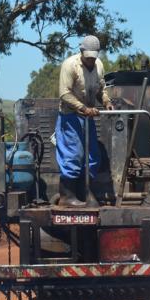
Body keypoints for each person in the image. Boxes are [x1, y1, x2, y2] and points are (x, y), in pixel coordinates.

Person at [55, 35, 114, 207]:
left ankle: (83, 193)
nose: (90, 60)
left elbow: (100, 88)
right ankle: (67, 196)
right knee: (73, 155)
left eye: (93, 57)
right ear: (81, 51)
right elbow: (64, 94)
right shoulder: (70, 65)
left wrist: (106, 101)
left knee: (92, 157)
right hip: (71, 117)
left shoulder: (99, 66)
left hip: (87, 118)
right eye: (87, 56)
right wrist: (84, 108)